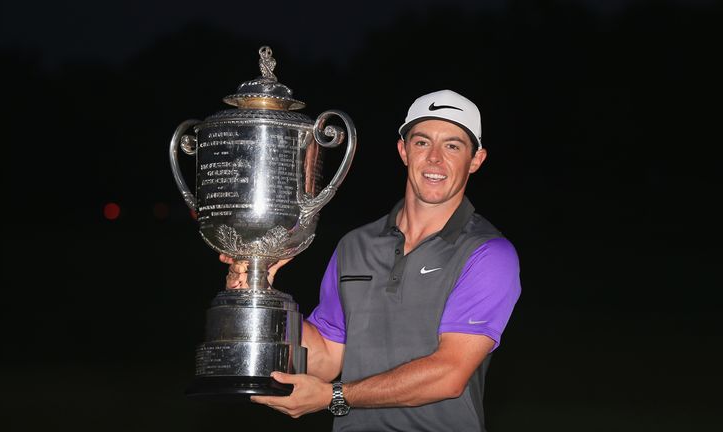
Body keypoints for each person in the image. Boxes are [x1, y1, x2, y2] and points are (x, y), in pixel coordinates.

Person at [221, 89, 521, 431]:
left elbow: (448, 374)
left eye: (452, 146)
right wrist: (259, 293)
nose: (435, 158)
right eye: (422, 143)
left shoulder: (489, 254)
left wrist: (335, 397)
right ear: (403, 151)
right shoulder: (355, 245)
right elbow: (325, 359)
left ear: (476, 159)